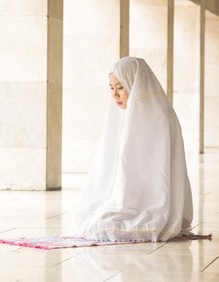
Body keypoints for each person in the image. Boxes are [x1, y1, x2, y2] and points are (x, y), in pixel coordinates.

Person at [69, 57, 193, 242]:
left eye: (120, 88)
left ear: (136, 86)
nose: (115, 95)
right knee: (91, 216)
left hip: (152, 195)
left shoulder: (160, 117)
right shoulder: (124, 116)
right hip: (132, 191)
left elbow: (156, 171)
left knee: (108, 222)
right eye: (111, 88)